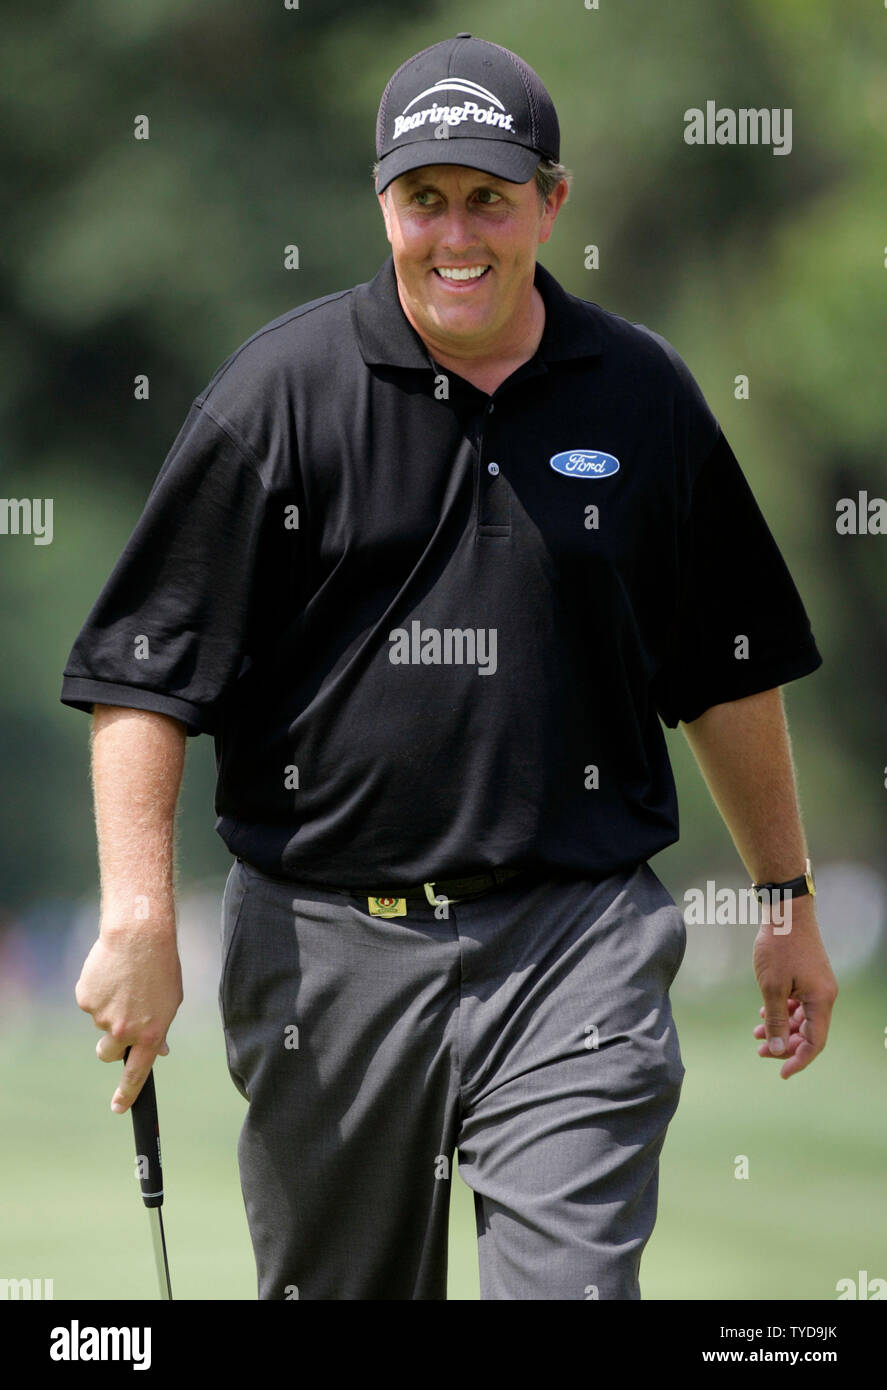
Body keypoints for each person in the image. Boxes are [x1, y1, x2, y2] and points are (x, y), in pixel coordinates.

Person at [62, 33, 837, 1300]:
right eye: (425, 199)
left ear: (550, 200)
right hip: (326, 948)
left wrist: (782, 897)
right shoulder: (280, 394)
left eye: (488, 196)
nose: (454, 234)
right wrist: (141, 915)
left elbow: (724, 664)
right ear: (383, 203)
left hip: (573, 939)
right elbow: (143, 672)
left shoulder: (641, 396)